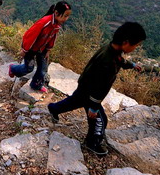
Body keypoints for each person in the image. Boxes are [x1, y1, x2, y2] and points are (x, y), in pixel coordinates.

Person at [47, 22, 146, 156]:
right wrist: (94, 106)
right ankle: (92, 143)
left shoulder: (111, 50)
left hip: (85, 86)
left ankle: (54, 108)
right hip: (90, 92)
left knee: (74, 101)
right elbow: (101, 86)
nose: (136, 47)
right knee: (100, 120)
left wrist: (132, 65)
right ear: (126, 42)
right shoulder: (108, 62)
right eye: (136, 45)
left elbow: (121, 61)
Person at [8, 1, 72, 92]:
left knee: (43, 68)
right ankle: (13, 68)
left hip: (42, 48)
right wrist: (25, 50)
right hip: (30, 48)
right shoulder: (45, 22)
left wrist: (48, 50)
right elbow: (30, 36)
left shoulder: (56, 25)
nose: (67, 18)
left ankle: (36, 84)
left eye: (68, 16)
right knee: (28, 68)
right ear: (56, 13)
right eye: (65, 15)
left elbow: (53, 37)